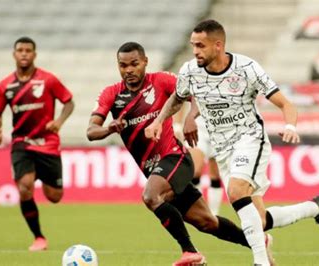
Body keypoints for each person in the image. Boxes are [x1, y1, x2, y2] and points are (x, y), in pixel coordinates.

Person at [145, 19, 319, 265]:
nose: (195, 51)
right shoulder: (190, 70)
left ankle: (260, 262)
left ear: (218, 45)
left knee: (236, 192)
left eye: (201, 46)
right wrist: (159, 120)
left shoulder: (247, 68)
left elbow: (285, 104)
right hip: (222, 148)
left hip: (250, 139)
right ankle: (315, 208)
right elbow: (177, 97)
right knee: (260, 220)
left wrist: (290, 125)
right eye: (193, 45)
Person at [87, 42, 263, 266]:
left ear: (145, 62)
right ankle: (258, 242)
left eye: (134, 64)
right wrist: (109, 128)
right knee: (207, 222)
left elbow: (196, 94)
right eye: (123, 66)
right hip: (157, 171)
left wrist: (191, 116)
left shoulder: (161, 81)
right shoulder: (111, 94)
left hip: (175, 158)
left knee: (150, 197)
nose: (128, 70)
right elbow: (91, 131)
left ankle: (190, 253)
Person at [0, 37, 75, 251]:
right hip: (22, 143)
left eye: (28, 50)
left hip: (47, 143)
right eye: (20, 50)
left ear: (34, 54)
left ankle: (38, 173)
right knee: (24, 188)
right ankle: (39, 237)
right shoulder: (5, 86)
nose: (24, 53)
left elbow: (69, 102)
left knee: (54, 197)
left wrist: (59, 122)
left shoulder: (48, 80)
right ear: (14, 54)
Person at [186, 117, 223, 216]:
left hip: (220, 129)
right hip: (198, 128)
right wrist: (177, 125)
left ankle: (214, 214)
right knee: (195, 171)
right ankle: (200, 210)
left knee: (215, 175)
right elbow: (181, 102)